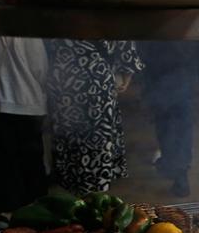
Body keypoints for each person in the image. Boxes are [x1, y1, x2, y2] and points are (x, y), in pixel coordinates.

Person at [47, 39, 144, 195]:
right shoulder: (108, 15)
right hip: (97, 81)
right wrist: (126, 77)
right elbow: (125, 45)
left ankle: (74, 189)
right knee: (97, 137)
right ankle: (95, 193)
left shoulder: (63, 15)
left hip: (65, 81)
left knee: (70, 134)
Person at [0, 34, 49, 212]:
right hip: (29, 103)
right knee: (32, 162)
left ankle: (11, 211)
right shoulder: (24, 28)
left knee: (5, 163)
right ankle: (37, 209)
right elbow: (39, 67)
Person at [138, 42, 198, 196]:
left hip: (160, 67)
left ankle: (178, 173)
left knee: (167, 124)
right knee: (181, 123)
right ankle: (176, 168)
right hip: (180, 67)